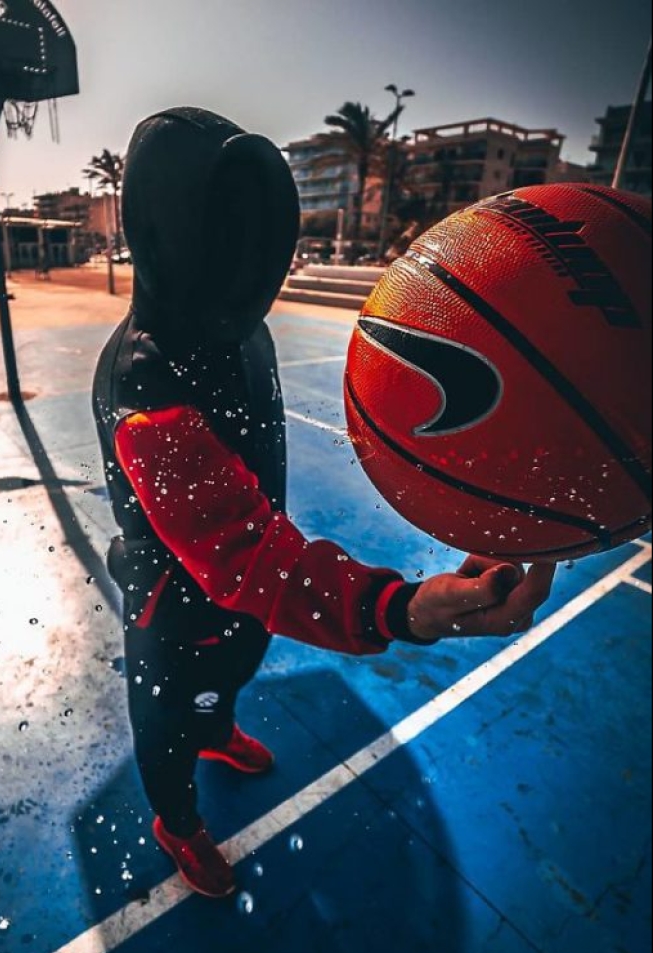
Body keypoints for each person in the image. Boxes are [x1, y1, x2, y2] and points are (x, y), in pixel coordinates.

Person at [92, 107, 555, 899]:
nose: (244, 255)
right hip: (174, 603)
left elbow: (254, 551)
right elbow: (244, 555)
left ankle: (217, 726)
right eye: (221, 230)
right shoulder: (146, 383)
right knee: (166, 718)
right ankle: (177, 819)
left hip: (238, 595)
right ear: (167, 232)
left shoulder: (245, 332)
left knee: (236, 663)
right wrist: (399, 608)